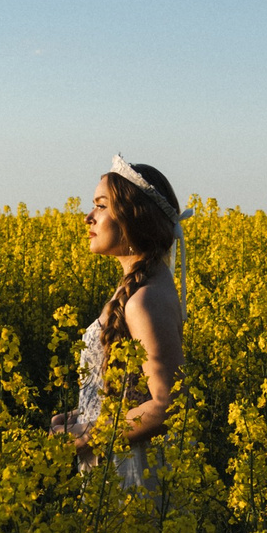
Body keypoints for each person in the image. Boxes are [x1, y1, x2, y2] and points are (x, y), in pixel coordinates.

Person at [51, 155, 186, 489]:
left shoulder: (144, 300)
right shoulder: (142, 288)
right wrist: (81, 418)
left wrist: (88, 436)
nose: (88, 217)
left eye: (101, 206)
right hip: (121, 455)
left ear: (133, 218)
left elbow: (166, 405)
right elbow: (133, 394)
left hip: (133, 472)